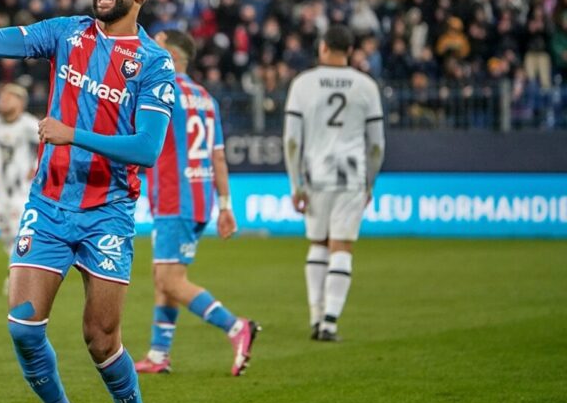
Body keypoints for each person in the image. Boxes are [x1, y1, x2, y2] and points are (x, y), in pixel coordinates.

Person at [0, 0, 176, 403]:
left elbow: (147, 148)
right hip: (50, 205)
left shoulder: (155, 62)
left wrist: (72, 134)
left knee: (100, 341)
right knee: (23, 327)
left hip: (108, 212)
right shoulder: (65, 33)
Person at [134, 29, 259, 376]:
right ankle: (159, 355)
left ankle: (236, 327)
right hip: (200, 198)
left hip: (175, 197)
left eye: (154, 48)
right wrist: (225, 205)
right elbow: (218, 157)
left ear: (170, 56)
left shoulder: (162, 90)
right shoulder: (206, 97)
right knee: (165, 276)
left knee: (170, 280)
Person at [282, 24, 386, 342]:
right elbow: (377, 144)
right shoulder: (366, 85)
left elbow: (291, 140)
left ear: (323, 47)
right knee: (342, 246)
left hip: (315, 174)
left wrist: (295, 183)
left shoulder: (303, 84)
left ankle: (315, 316)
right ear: (351, 51)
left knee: (318, 244)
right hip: (351, 174)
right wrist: (370, 181)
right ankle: (329, 321)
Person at [0, 83, 40, 292]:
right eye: (1, 97)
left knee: (18, 232)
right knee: (4, 232)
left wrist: (36, 166)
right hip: (1, 191)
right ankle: (19, 269)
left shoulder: (28, 124)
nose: (2, 101)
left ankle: (17, 278)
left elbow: (47, 141)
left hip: (21, 191)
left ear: (20, 102)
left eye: (8, 97)